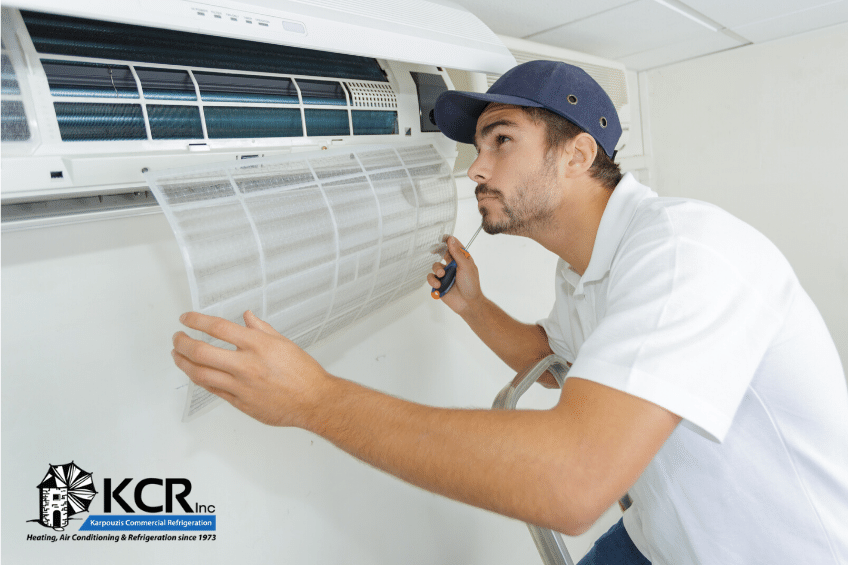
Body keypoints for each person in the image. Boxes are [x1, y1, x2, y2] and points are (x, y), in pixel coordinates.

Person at [171, 60, 848, 564]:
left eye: (500, 140)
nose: (475, 167)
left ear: (578, 154)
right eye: (477, 147)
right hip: (663, 536)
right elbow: (562, 367)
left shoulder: (685, 252)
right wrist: (472, 304)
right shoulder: (581, 267)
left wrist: (316, 399)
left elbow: (574, 478)